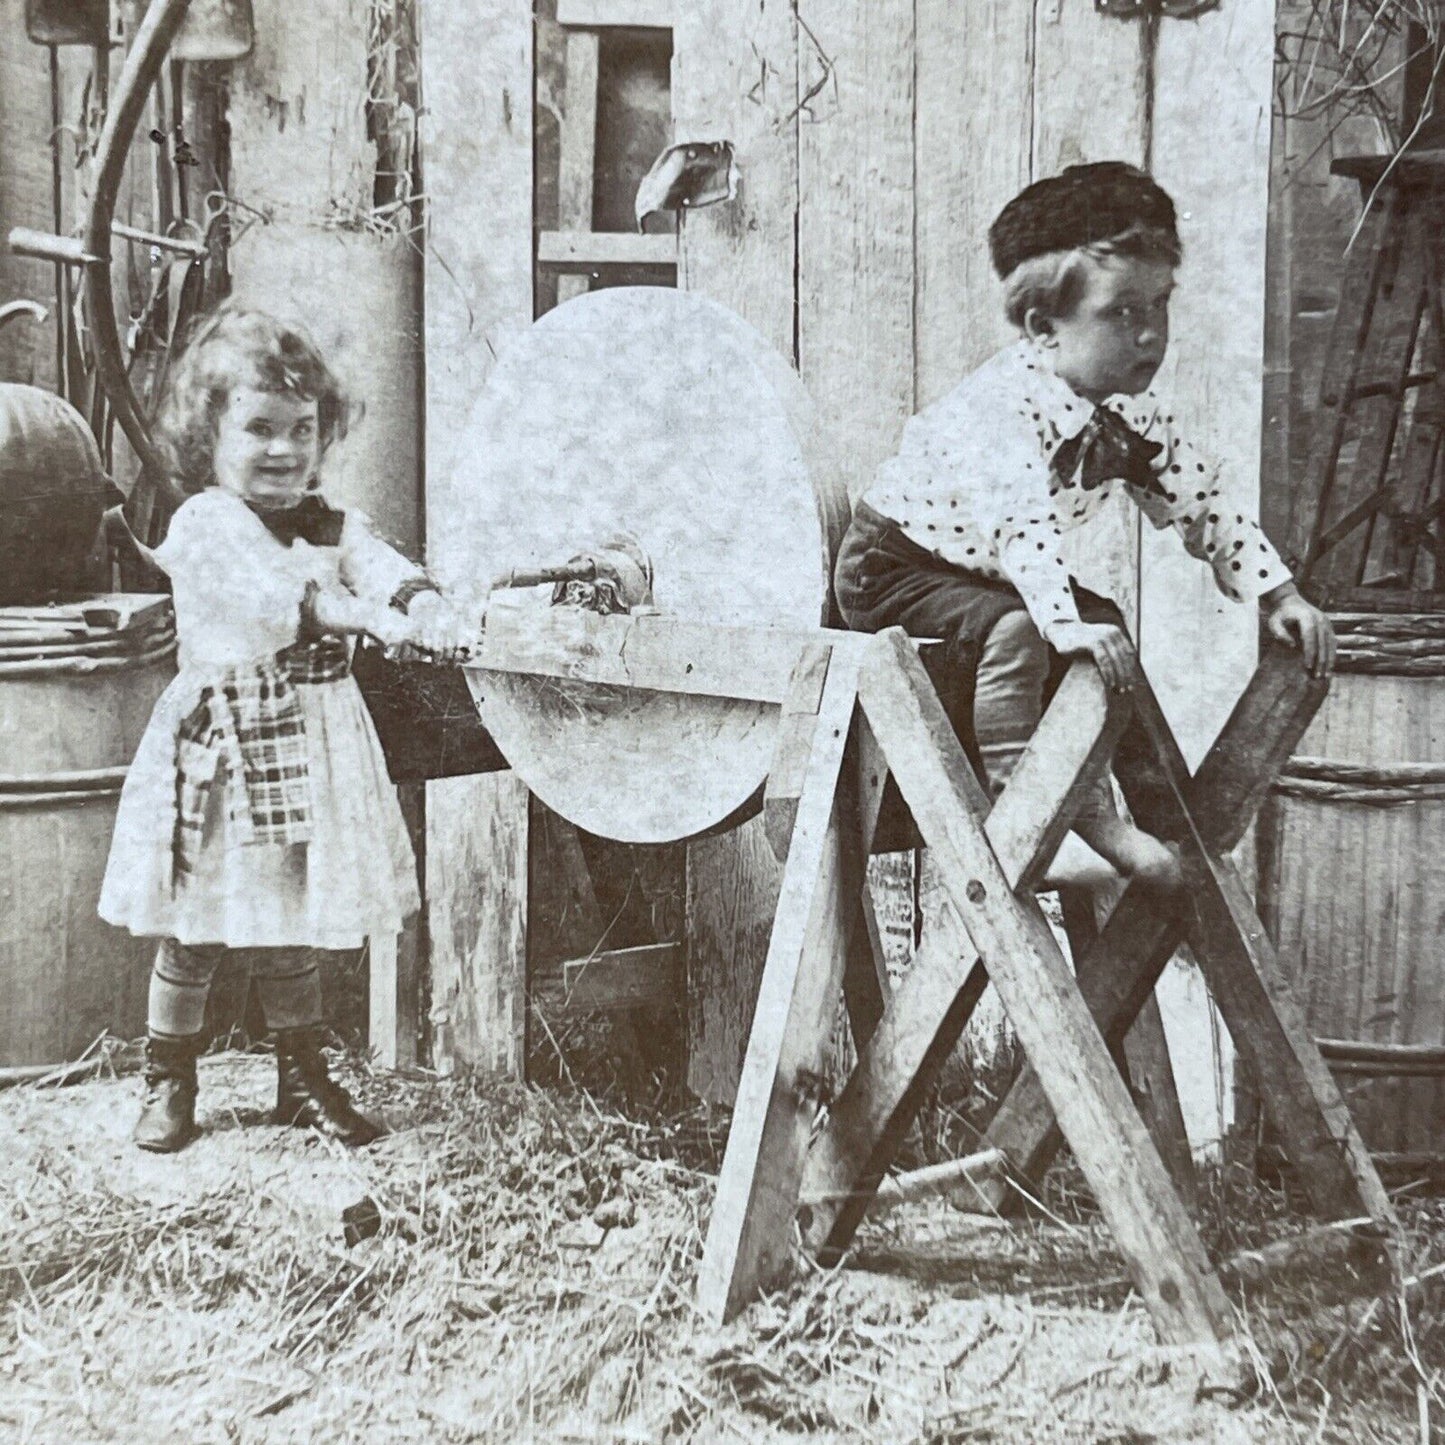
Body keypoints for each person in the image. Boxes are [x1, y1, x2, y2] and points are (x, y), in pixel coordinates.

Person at [834, 161, 1334, 888]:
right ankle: (1030, 814)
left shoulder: (1131, 412)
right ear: (1042, 327)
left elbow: (1203, 503)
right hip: (895, 565)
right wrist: (1056, 622)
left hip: (983, 567)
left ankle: (1151, 812)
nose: (1147, 336)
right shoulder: (999, 408)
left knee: (1104, 624)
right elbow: (1019, 524)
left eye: (1158, 307)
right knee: (1026, 629)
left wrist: (1277, 594)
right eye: (1120, 313)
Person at [100, 306, 472, 1153]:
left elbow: (380, 566)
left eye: (301, 429)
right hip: (225, 748)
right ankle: (169, 1076)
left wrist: (423, 602)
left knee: (291, 914)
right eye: (259, 428)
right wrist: (369, 620)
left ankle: (300, 1077)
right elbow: (293, 601)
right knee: (195, 922)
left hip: (313, 742)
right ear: (210, 435)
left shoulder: (329, 522)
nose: (282, 449)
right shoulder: (205, 524)